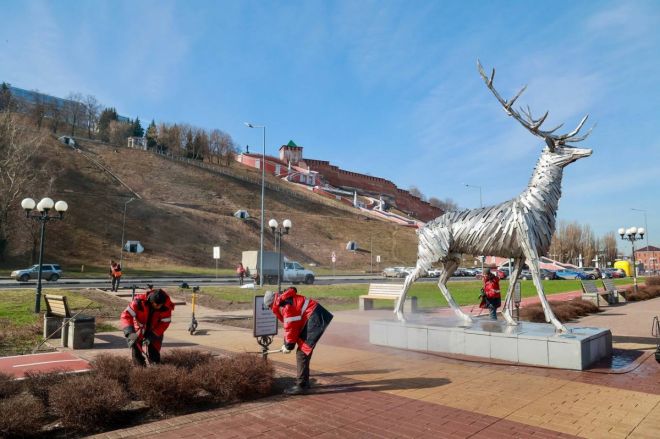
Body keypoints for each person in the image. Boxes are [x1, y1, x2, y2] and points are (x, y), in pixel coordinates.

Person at [264, 287, 333, 395]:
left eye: (269, 306)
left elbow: (291, 327)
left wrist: (289, 345)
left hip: (314, 319)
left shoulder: (285, 306)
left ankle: (302, 386)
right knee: (303, 352)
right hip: (313, 316)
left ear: (271, 303)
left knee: (302, 352)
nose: (269, 309)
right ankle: (304, 383)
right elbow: (290, 327)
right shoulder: (283, 301)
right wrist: (286, 343)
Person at [120, 288, 175, 366]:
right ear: (151, 301)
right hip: (139, 328)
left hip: (155, 330)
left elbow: (164, 324)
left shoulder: (166, 307)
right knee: (136, 349)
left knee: (154, 352)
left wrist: (152, 336)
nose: (158, 306)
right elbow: (126, 316)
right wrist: (130, 332)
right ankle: (140, 369)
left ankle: (155, 369)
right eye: (156, 304)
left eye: (160, 305)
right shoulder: (138, 302)